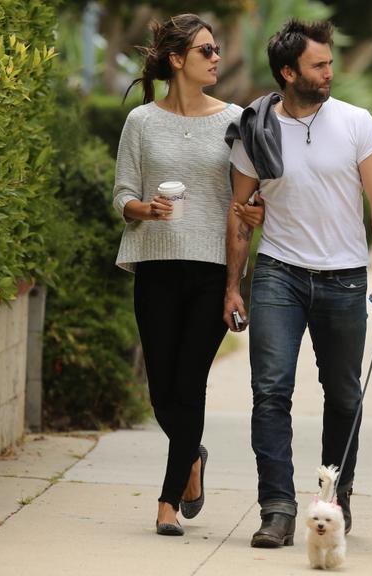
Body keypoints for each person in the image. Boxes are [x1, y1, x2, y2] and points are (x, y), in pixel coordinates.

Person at [223, 19, 372, 548]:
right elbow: (239, 214)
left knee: (343, 395)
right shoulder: (256, 128)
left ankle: (334, 498)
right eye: (318, 65)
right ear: (288, 72)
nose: (329, 72)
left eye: (329, 62)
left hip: (345, 278)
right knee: (270, 392)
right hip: (278, 273)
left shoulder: (355, 123)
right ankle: (276, 508)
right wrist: (234, 286)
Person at [112, 13, 263, 537]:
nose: (217, 58)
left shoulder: (237, 120)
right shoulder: (141, 122)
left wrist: (234, 284)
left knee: (190, 382)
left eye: (216, 49)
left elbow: (245, 202)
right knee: (161, 390)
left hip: (211, 269)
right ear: (177, 60)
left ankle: (167, 500)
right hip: (154, 263)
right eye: (205, 51)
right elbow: (121, 196)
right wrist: (143, 209)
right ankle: (191, 456)